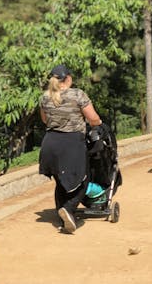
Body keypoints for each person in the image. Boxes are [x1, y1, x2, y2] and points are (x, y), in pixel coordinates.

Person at [39, 65, 102, 234]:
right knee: (83, 179)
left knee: (61, 179)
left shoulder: (45, 97)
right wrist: (97, 124)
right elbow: (93, 118)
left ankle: (63, 216)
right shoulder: (77, 94)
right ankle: (68, 208)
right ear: (68, 78)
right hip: (71, 143)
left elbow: (45, 120)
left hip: (50, 144)